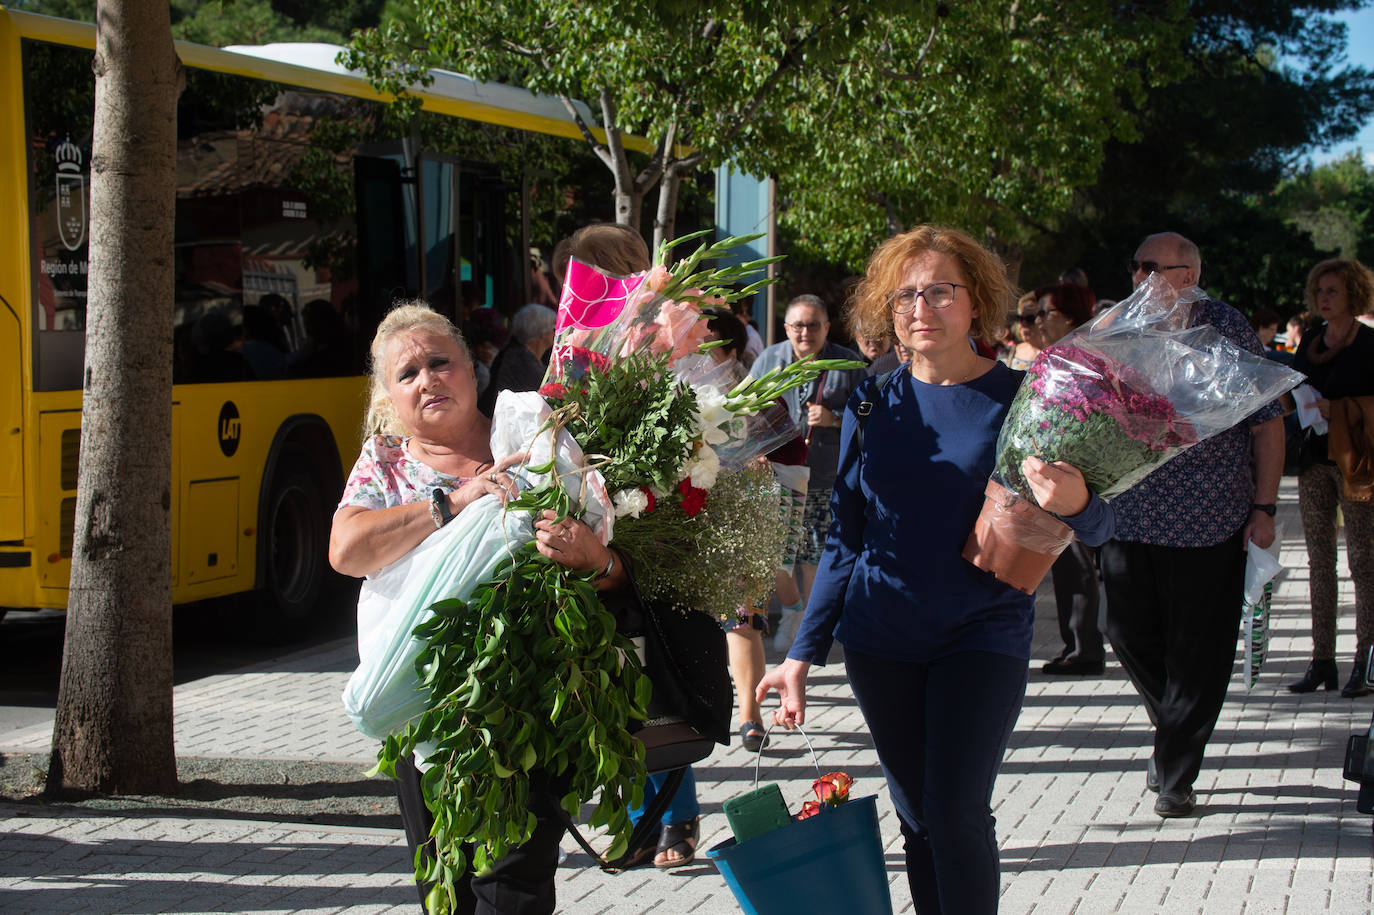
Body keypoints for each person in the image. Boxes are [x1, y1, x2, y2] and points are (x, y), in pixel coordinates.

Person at [756, 225, 1114, 914]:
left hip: (981, 634)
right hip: (881, 641)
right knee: (918, 817)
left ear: (975, 302)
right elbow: (845, 539)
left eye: (939, 291)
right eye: (905, 295)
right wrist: (802, 650)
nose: (920, 307)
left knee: (955, 810)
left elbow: (1101, 524)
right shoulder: (870, 402)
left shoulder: (1027, 399)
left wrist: (1079, 502)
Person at [329, 302, 629, 913]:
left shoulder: (536, 437)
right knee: (447, 892)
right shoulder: (386, 462)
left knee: (513, 890)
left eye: (440, 362)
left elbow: (621, 578)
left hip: (534, 706)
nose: (427, 379)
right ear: (390, 397)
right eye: (407, 375)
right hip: (429, 718)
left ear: (473, 368)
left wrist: (594, 557)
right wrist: (453, 502)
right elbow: (346, 550)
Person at [1102, 232, 1284, 818]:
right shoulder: (1117, 330)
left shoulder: (1222, 328)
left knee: (1198, 652)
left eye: (1153, 267)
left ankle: (1176, 774)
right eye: (1136, 266)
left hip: (1207, 518)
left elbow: (1267, 423)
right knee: (1124, 632)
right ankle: (1174, 732)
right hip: (1129, 514)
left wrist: (1265, 508)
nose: (1140, 276)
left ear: (1187, 275)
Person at [751, 295, 867, 653]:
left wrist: (835, 419)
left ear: (827, 328)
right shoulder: (769, 360)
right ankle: (792, 611)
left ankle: (811, 628)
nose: (806, 332)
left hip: (825, 477)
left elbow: (870, 417)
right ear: (786, 328)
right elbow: (746, 413)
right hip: (776, 478)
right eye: (798, 325)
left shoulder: (848, 363)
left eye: (814, 325)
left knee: (813, 555)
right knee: (777, 556)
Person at [1286, 258, 1374, 698]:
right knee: (1319, 563)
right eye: (1319, 290)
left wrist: (1336, 409)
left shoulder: (1371, 344)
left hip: (1357, 465)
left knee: (1364, 563)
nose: (1323, 298)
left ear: (1354, 294)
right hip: (1314, 462)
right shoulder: (1312, 342)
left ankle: (1367, 662)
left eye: (1333, 290)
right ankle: (1322, 661)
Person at [1031, 282, 1107, 677]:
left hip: (1076, 483)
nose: (1038, 321)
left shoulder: (1082, 359)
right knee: (1067, 565)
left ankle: (1084, 647)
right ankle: (1075, 644)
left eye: (1046, 313)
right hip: (1053, 479)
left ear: (1070, 316)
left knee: (1076, 563)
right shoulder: (1057, 356)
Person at [478, 303, 556, 416]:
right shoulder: (519, 359)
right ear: (541, 333)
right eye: (553, 329)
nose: (556, 333)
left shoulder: (516, 352)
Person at [1004, 291, 1042, 370]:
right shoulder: (1007, 353)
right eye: (1020, 318)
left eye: (1030, 319)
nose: (1023, 323)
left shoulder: (1057, 358)